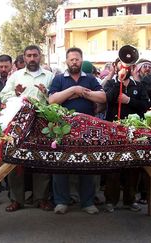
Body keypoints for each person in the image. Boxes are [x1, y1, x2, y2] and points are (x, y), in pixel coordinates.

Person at [48, 47, 106, 215]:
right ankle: (61, 201)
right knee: (61, 165)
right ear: (66, 61)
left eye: (77, 59)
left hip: (87, 128)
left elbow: (102, 97)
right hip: (62, 128)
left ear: (82, 60)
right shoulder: (59, 79)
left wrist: (82, 93)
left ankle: (87, 202)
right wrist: (73, 90)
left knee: (86, 165)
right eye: (71, 59)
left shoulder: (90, 78)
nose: (74, 62)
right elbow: (52, 100)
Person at [0, 45, 54, 212]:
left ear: (40, 57)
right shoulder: (16, 76)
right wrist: (15, 94)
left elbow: (55, 98)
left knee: (41, 161)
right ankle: (17, 199)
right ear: (24, 57)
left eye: (35, 55)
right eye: (28, 55)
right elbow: (3, 96)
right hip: (18, 122)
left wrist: (46, 93)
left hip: (41, 123)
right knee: (15, 161)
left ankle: (41, 198)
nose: (31, 58)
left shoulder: (50, 77)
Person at [103, 58, 150, 213]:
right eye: (121, 64)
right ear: (116, 66)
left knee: (133, 167)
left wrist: (129, 100)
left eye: (128, 65)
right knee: (114, 166)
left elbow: (145, 106)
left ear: (133, 68)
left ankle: (130, 200)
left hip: (134, 131)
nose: (124, 67)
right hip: (114, 130)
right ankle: (111, 200)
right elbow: (108, 98)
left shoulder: (139, 86)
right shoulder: (111, 84)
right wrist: (119, 83)